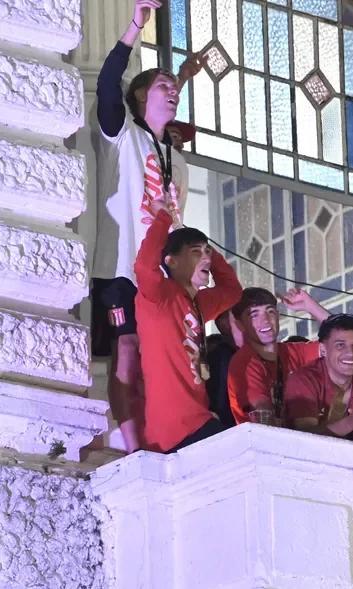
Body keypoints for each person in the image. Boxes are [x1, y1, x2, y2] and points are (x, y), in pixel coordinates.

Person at [90, 0, 206, 453]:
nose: (173, 91)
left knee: (164, 358)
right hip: (122, 267)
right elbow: (105, 84)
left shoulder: (176, 158)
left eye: (175, 87)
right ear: (141, 96)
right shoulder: (122, 135)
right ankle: (135, 447)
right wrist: (134, 27)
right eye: (164, 86)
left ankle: (164, 436)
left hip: (162, 277)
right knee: (127, 350)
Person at [134, 202, 241, 453]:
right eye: (196, 252)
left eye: (207, 252)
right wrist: (162, 219)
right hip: (175, 429)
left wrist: (212, 257)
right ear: (172, 261)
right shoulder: (158, 296)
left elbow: (232, 292)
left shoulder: (198, 303)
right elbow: (143, 266)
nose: (205, 258)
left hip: (199, 421)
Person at [227, 288, 330, 424]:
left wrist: (310, 306)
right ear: (240, 325)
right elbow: (264, 421)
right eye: (254, 315)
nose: (265, 320)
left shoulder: (292, 351)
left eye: (270, 311)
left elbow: (346, 347)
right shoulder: (245, 362)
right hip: (264, 443)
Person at [284, 315, 353, 443]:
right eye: (340, 345)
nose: (350, 353)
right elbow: (304, 441)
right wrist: (349, 424)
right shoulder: (303, 380)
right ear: (323, 350)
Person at [205, 309, 244, 429]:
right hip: (229, 426)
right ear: (224, 324)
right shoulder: (222, 354)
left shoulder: (242, 352)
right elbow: (220, 399)